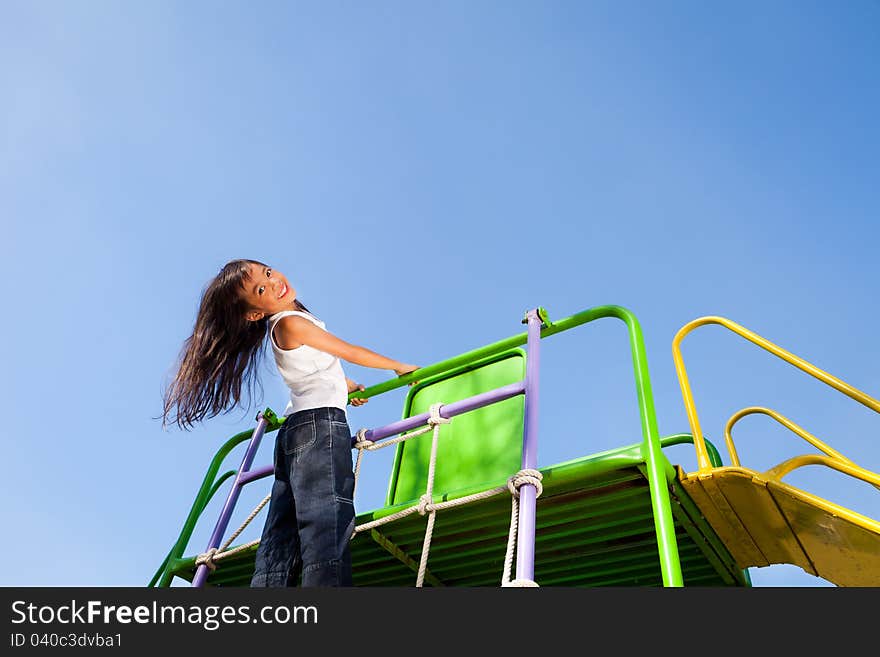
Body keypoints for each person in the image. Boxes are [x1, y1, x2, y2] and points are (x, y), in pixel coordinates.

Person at [161, 258, 420, 587]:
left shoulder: (286, 324)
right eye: (260, 289)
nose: (273, 283)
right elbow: (348, 350)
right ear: (255, 313)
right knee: (327, 524)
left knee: (281, 535)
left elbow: (312, 371)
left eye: (268, 273)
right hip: (317, 428)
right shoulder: (290, 323)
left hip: (293, 434)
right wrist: (397, 366)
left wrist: (344, 386)